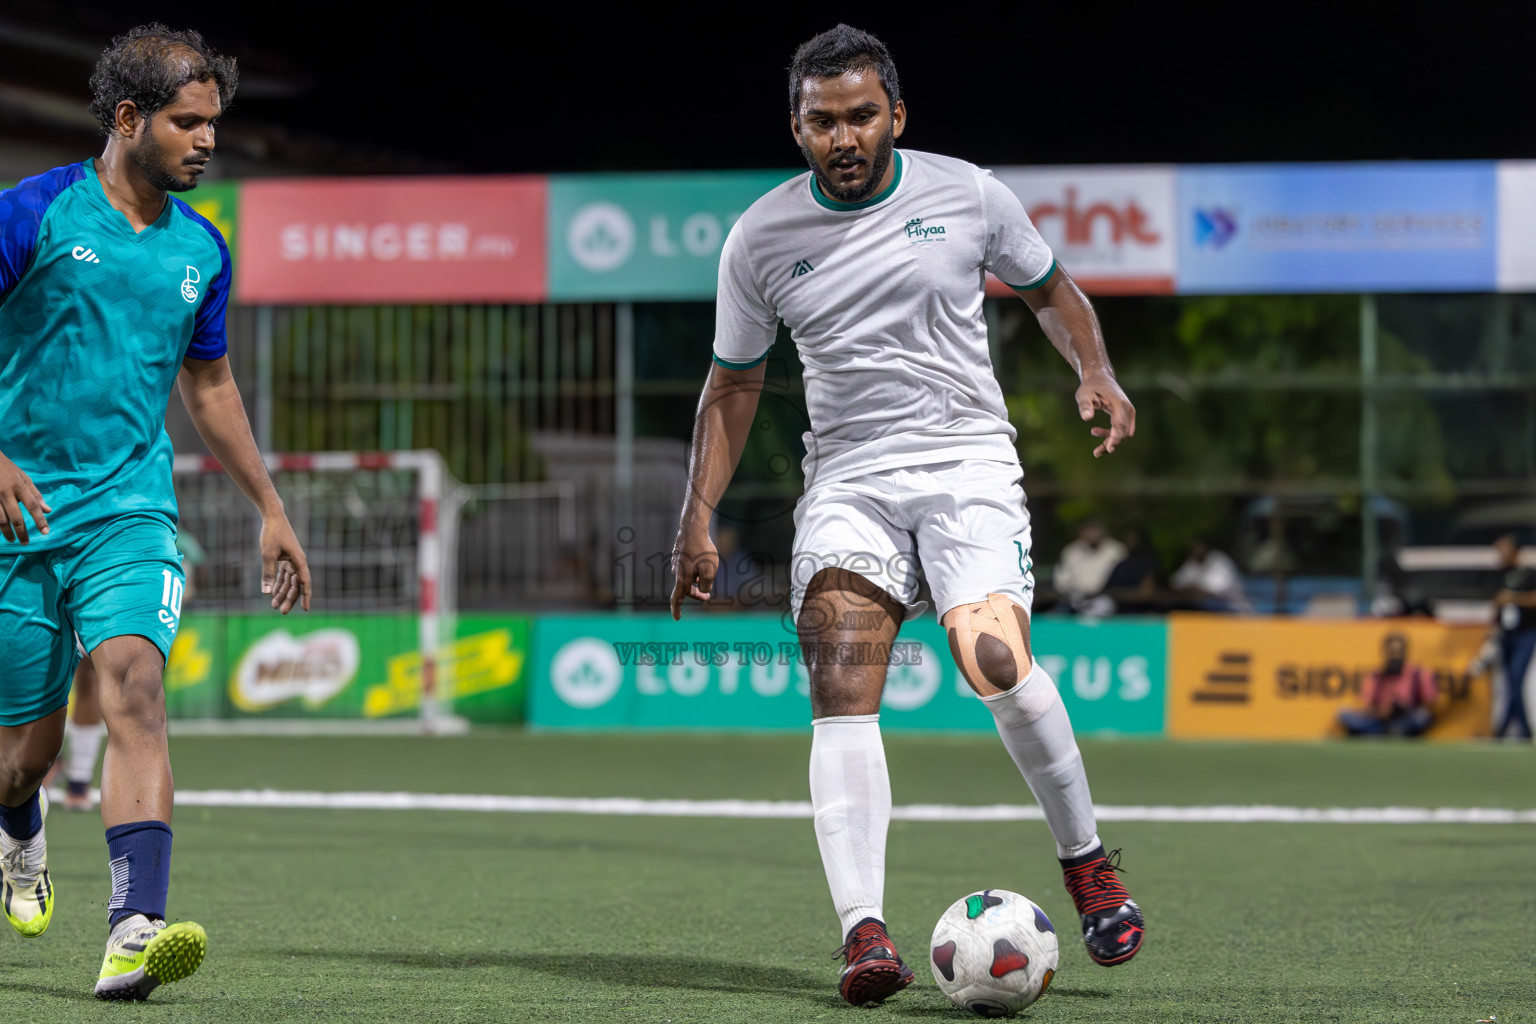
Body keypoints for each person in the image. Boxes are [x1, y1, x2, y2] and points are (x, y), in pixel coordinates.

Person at [669, 25, 1143, 1006]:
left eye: (859, 116)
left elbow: (1052, 291)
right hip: (848, 476)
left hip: (967, 461)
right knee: (839, 671)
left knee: (996, 663)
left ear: (895, 115)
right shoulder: (759, 237)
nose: (842, 137)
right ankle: (863, 933)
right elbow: (732, 386)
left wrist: (1092, 368)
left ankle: (1087, 860)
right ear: (795, 127)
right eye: (819, 121)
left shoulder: (968, 192)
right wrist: (696, 515)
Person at [0, 24, 311, 1001]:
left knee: (133, 681)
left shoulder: (204, 248)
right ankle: (19, 827)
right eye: (188, 122)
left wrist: (269, 504)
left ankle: (134, 927)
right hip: (17, 520)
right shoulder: (32, 214)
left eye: (214, 123)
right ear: (128, 117)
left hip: (131, 510)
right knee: (24, 758)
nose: (207, 140)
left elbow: (209, 386)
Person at [1337, 633, 1438, 737]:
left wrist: (1404, 708)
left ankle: (1381, 734)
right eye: (1391, 652)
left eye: (1398, 652)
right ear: (1385, 652)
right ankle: (1385, 733)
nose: (1395, 656)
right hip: (1379, 720)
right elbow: (1367, 706)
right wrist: (1383, 712)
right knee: (1345, 714)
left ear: (1404, 652)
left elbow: (1431, 703)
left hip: (1407, 718)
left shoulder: (1418, 673)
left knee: (1421, 716)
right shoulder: (1376, 675)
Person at [1488, 535, 1534, 739]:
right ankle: (1509, 727)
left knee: (1516, 677)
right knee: (1507, 682)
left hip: (1525, 633)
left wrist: (1513, 598)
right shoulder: (1499, 576)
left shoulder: (1528, 574)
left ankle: (1517, 728)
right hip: (1506, 634)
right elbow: (1495, 605)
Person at [1052, 519, 1126, 608]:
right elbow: (1062, 580)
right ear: (1081, 532)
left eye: (1095, 529)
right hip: (1074, 598)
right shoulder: (1071, 551)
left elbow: (1122, 578)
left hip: (1106, 599)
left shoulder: (1116, 550)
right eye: (1088, 530)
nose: (1092, 533)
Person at [1170, 540, 1249, 612]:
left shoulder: (1218, 560)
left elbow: (1216, 590)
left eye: (1198, 546)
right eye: (1193, 548)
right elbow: (1175, 583)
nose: (1195, 550)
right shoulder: (1192, 563)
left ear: (1205, 547)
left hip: (1231, 605)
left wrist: (1192, 588)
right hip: (1206, 607)